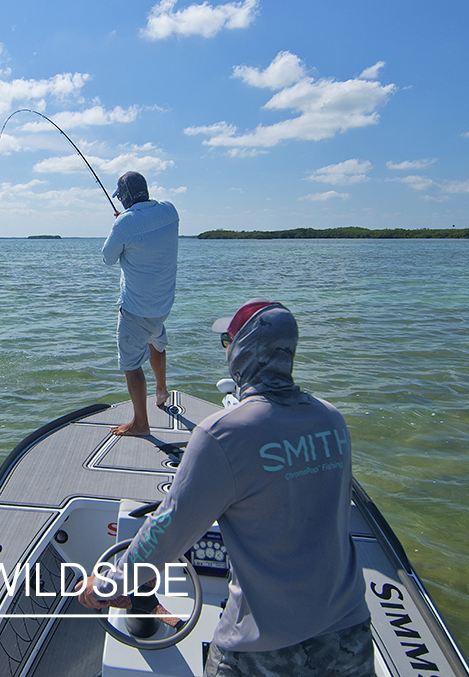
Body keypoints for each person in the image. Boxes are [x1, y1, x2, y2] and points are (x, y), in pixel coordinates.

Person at [79, 299, 373, 677]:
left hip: (263, 646)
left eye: (228, 342)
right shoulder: (331, 419)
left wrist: (108, 583)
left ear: (244, 349)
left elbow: (167, 530)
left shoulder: (224, 434)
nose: (228, 351)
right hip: (350, 635)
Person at [101, 171, 179, 437]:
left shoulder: (123, 225)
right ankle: (161, 390)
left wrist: (121, 224)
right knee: (155, 340)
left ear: (124, 199)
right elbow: (146, 229)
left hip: (136, 309)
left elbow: (108, 258)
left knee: (131, 364)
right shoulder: (170, 211)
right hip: (163, 305)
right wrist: (126, 222)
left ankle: (141, 424)